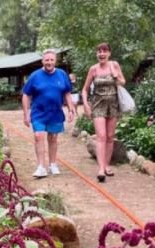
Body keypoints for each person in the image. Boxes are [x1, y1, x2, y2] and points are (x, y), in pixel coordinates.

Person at [22, 49, 75, 177]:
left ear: (55, 61)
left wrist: (71, 109)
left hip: (55, 113)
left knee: (53, 138)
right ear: (43, 61)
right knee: (38, 136)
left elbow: (67, 93)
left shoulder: (62, 74)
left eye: (51, 60)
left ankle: (52, 164)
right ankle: (41, 167)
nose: (49, 62)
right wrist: (26, 113)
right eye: (47, 60)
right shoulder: (35, 76)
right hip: (38, 113)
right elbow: (26, 95)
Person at [82, 42, 126, 182]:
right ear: (97, 54)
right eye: (99, 51)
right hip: (98, 104)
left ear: (109, 53)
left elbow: (123, 82)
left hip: (113, 104)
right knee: (101, 136)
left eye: (104, 51)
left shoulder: (115, 65)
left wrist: (115, 76)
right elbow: (85, 89)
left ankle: (107, 164)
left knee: (110, 136)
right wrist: (85, 105)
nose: (101, 53)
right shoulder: (93, 69)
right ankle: (100, 168)